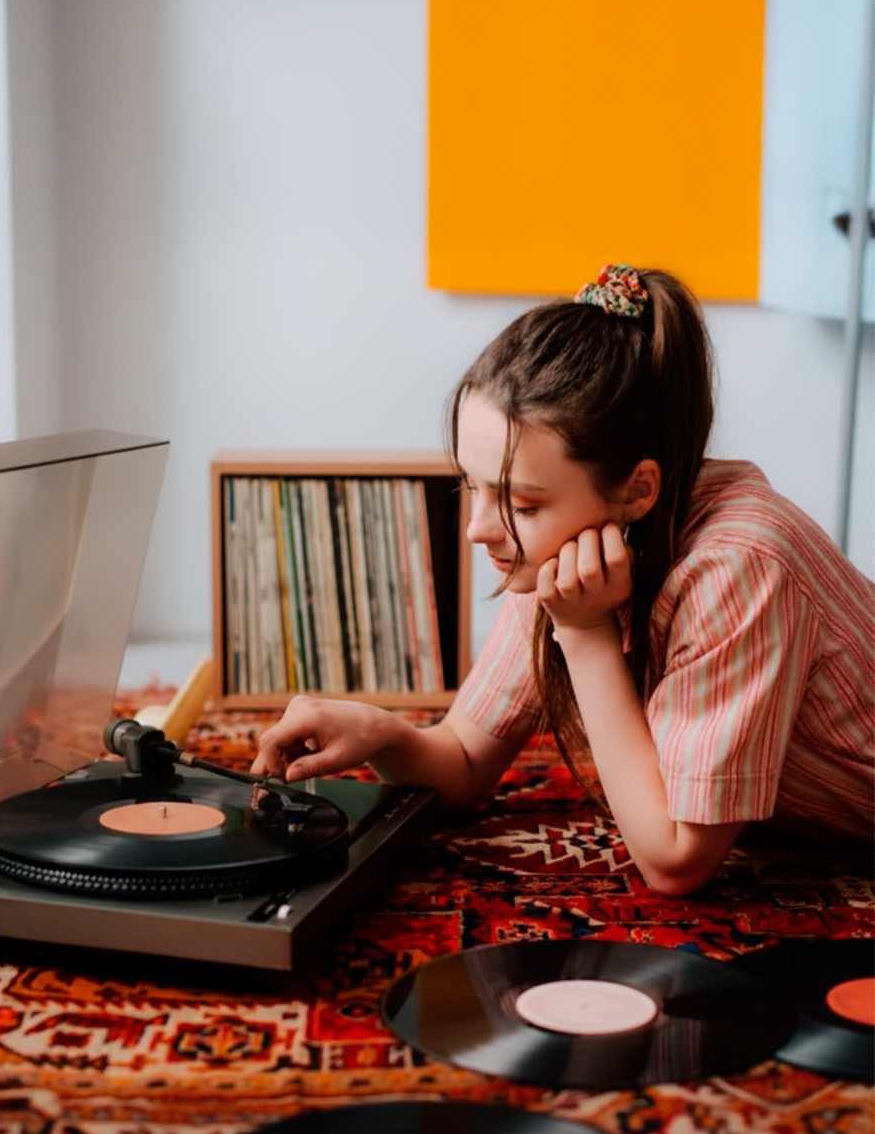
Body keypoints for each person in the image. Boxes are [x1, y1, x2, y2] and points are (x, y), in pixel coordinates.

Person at [250, 264, 875, 896]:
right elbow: (465, 761)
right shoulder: (566, 546)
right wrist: (381, 730)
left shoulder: (740, 566)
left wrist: (584, 633)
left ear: (637, 491)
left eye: (520, 504)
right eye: (472, 487)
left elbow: (675, 860)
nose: (478, 529)